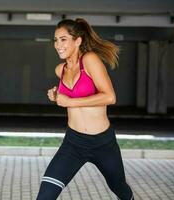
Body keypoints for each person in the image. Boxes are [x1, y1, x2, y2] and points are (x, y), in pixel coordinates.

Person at [36, 18, 134, 200]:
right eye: (55, 40)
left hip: (103, 143)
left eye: (63, 39)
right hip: (73, 143)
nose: (58, 45)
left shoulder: (89, 60)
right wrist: (56, 95)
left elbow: (110, 97)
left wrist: (69, 102)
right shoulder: (61, 70)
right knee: (45, 195)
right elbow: (65, 96)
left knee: (119, 187)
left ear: (78, 41)